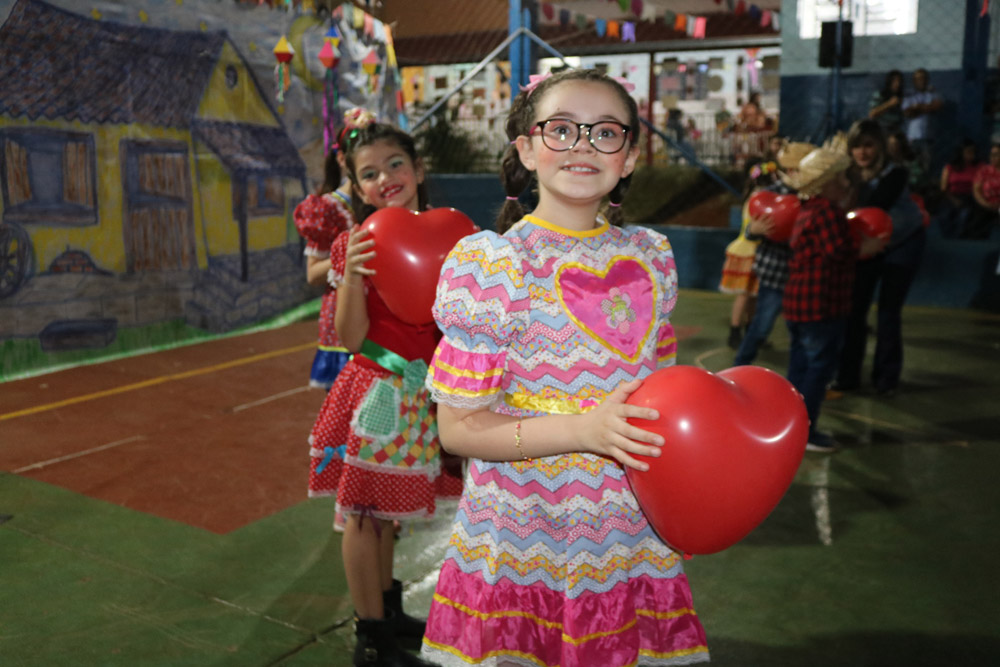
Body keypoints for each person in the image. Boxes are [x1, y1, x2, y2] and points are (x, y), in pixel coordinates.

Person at [420, 69, 710, 666]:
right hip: (527, 530)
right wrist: (582, 431)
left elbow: (663, 394)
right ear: (527, 150)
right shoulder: (494, 266)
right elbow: (456, 430)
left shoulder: (650, 257)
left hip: (628, 527)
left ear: (629, 157)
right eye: (562, 129)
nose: (583, 145)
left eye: (605, 132)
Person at [305, 110, 455, 667]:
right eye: (369, 173)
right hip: (379, 395)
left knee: (389, 515)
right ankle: (371, 637)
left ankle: (388, 610)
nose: (385, 178)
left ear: (419, 168)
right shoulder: (356, 244)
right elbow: (352, 338)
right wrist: (354, 274)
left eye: (395, 164)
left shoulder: (453, 236)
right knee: (365, 515)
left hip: (425, 393)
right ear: (356, 185)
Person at [783, 146, 884, 452]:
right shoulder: (827, 211)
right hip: (820, 306)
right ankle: (806, 431)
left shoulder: (807, 209)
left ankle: (789, 425)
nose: (846, 183)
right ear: (825, 183)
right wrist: (868, 246)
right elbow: (839, 252)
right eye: (840, 178)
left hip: (800, 304)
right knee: (819, 369)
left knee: (800, 368)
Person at [833, 119, 925, 399]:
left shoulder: (895, 173)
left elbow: (877, 205)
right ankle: (848, 377)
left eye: (869, 145)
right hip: (868, 245)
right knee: (855, 310)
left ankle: (886, 378)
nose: (862, 152)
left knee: (888, 312)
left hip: (903, 243)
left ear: (880, 147)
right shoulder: (849, 175)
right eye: (856, 146)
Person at [734, 141, 816, 366]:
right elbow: (750, 232)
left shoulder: (812, 197)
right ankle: (739, 366)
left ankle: (798, 376)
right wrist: (754, 230)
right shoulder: (769, 194)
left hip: (803, 277)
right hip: (775, 274)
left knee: (799, 332)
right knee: (761, 326)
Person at [293, 128, 357, 390]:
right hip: (344, 319)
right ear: (341, 159)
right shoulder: (327, 209)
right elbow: (312, 274)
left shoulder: (389, 202)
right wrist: (350, 251)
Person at [719, 157, 775, 349]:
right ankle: (735, 331)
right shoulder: (759, 197)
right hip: (748, 249)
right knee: (744, 295)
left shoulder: (755, 195)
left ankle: (750, 332)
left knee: (752, 295)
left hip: (753, 248)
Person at [901, 68, 943, 193]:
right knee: (910, 167)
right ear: (914, 81)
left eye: (924, 78)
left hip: (928, 137)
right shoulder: (909, 95)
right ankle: (911, 193)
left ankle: (923, 194)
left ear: (927, 79)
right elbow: (907, 113)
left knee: (926, 168)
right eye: (918, 78)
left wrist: (917, 107)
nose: (921, 81)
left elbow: (937, 106)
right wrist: (926, 107)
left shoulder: (933, 94)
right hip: (913, 138)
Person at [938, 139, 981, 238]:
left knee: (964, 215)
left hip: (970, 197)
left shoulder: (978, 166)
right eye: (968, 151)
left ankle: (959, 237)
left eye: (973, 151)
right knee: (945, 216)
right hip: (951, 196)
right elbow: (943, 188)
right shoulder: (950, 167)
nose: (971, 154)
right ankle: (948, 238)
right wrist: (954, 200)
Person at [970, 142, 1000, 239]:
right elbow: (976, 190)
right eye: (991, 155)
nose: (992, 157)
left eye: (996, 155)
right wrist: (986, 204)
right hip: (985, 204)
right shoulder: (984, 171)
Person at [868, 70, 905, 135]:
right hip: (881, 130)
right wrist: (889, 104)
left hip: (896, 130)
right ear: (889, 82)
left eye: (899, 81)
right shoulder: (880, 95)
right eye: (894, 81)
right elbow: (872, 114)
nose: (897, 84)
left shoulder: (902, 97)